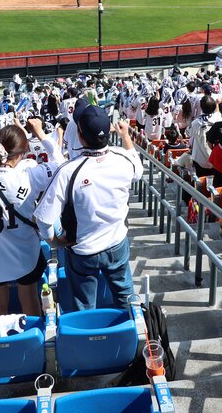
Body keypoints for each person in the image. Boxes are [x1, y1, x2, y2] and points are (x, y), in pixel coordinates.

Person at [34, 104, 142, 310]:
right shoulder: (123, 158)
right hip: (117, 243)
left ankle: (91, 340)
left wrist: (55, 242)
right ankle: (131, 337)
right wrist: (126, 136)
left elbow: (44, 219)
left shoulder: (69, 171)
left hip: (83, 250)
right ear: (109, 131)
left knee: (85, 306)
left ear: (80, 136)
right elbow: (138, 170)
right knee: (127, 299)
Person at [0, 122, 61, 317]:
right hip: (25, 253)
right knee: (30, 301)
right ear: (21, 152)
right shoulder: (30, 177)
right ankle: (33, 342)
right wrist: (41, 134)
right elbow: (60, 163)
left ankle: (0, 345)